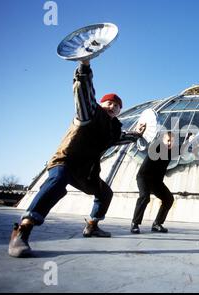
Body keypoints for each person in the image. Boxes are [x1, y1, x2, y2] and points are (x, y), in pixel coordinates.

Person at [8, 60, 145, 258]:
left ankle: (92, 226)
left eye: (117, 106)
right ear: (101, 104)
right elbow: (84, 93)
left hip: (85, 171)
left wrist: (138, 134)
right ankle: (23, 230)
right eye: (109, 103)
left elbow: (123, 138)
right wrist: (85, 68)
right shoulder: (89, 112)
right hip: (65, 161)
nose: (113, 106)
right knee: (58, 181)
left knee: (105, 193)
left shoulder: (112, 129)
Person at [130, 131, 176, 234]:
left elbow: (183, 149)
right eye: (167, 141)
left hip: (156, 181)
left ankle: (157, 224)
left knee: (168, 199)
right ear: (162, 141)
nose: (169, 143)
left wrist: (190, 140)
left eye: (172, 141)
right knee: (145, 197)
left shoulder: (172, 150)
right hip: (144, 178)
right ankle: (135, 224)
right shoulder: (157, 147)